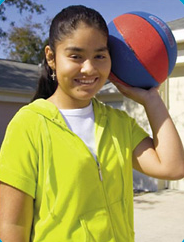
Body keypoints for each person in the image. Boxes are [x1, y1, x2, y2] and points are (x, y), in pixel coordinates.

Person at [0, 5, 184, 242]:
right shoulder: (28, 125)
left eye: (100, 56)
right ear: (51, 57)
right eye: (75, 56)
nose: (89, 68)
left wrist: (151, 99)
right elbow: (12, 224)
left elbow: (173, 167)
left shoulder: (119, 123)